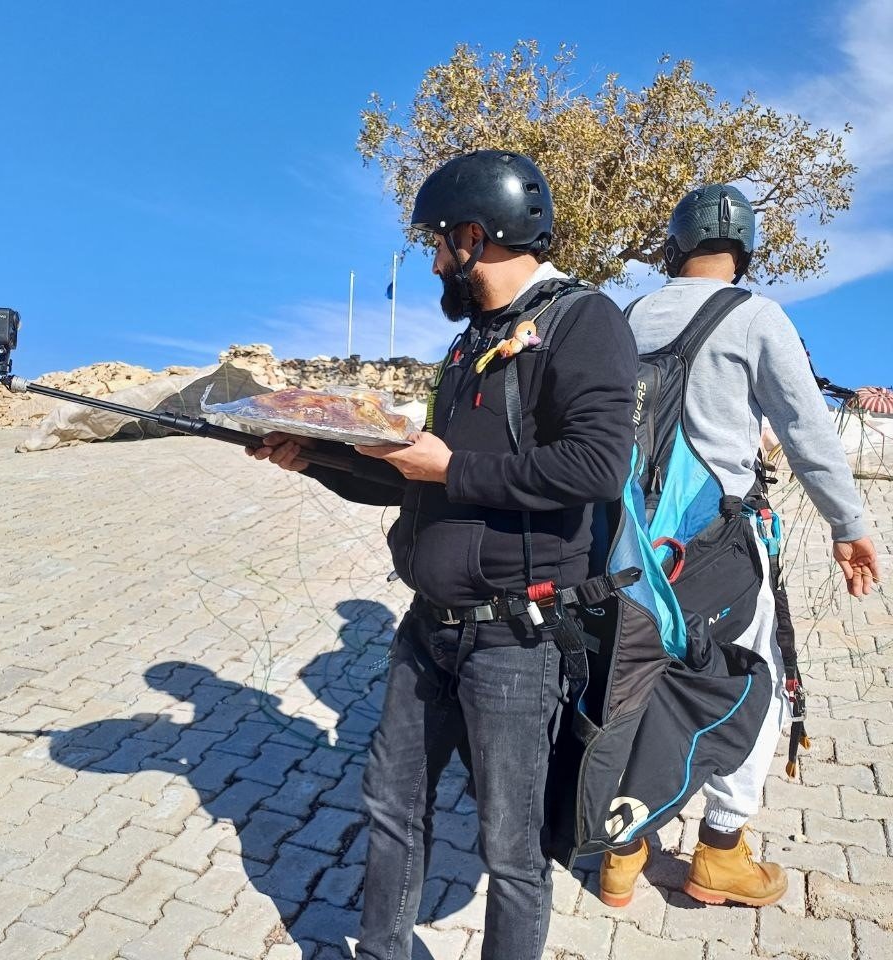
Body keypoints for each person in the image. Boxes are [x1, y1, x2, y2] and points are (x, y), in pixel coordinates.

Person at [250, 149, 639, 960]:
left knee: (512, 852)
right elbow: (414, 481)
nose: (433, 260)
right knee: (391, 805)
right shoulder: (469, 347)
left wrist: (451, 466)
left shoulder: (584, 320)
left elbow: (598, 467)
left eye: (438, 243)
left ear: (477, 233)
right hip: (428, 631)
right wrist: (313, 455)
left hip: (518, 640)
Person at [601, 183, 880, 909]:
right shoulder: (756, 317)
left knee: (636, 680)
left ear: (675, 241)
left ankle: (622, 851)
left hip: (629, 541)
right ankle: (720, 852)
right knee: (751, 683)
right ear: (743, 250)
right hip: (719, 544)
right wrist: (849, 523)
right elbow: (805, 428)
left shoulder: (629, 316)